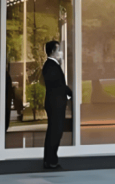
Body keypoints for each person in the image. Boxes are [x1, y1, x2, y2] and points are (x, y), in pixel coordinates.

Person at [42, 40, 72, 170]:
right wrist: (69, 93)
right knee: (55, 132)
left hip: (55, 103)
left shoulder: (52, 65)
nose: (61, 52)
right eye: (59, 50)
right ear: (53, 51)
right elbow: (58, 86)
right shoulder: (50, 66)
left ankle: (50, 159)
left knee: (54, 132)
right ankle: (51, 161)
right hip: (55, 104)